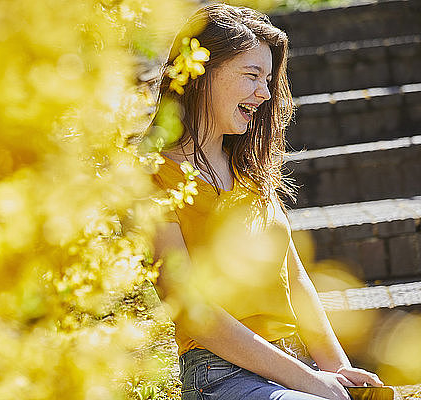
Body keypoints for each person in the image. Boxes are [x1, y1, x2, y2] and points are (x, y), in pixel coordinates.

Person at [149, 4, 384, 400]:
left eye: (269, 78)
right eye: (252, 75)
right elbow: (193, 312)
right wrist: (313, 385)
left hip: (298, 367)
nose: (266, 92)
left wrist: (338, 370)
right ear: (201, 74)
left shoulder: (249, 171)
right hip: (222, 377)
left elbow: (295, 279)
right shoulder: (152, 176)